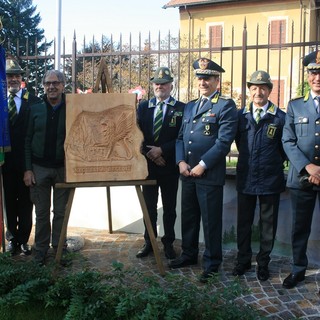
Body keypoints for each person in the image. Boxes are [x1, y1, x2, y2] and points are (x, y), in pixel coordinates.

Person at [168, 57, 238, 282]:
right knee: (188, 218)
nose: (203, 82)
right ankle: (189, 254)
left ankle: (212, 262)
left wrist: (202, 165)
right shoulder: (189, 106)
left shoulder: (225, 106)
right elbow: (180, 138)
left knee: (210, 221)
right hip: (187, 172)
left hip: (208, 175)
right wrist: (180, 162)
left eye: (207, 78)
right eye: (200, 78)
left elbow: (223, 142)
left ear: (217, 80)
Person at [232, 70, 286, 281]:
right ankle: (243, 260)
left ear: (270, 90)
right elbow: (238, 142)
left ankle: (263, 263)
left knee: (267, 225)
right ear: (249, 90)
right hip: (245, 177)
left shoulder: (280, 117)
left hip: (270, 179)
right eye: (254, 88)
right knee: (243, 222)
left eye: (263, 88)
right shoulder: (240, 116)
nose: (258, 92)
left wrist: (269, 163)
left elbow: (283, 149)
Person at [136, 67, 185, 259]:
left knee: (169, 208)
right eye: (156, 82)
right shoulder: (143, 107)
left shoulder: (181, 108)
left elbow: (182, 136)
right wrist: (152, 153)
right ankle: (149, 242)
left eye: (163, 83)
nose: (159, 86)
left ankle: (169, 243)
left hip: (169, 166)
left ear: (171, 85)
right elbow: (136, 135)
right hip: (148, 166)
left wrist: (162, 150)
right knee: (148, 207)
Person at [282, 50, 320, 289]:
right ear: (308, 75)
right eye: (314, 72)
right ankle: (298, 269)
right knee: (299, 228)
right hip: (302, 177)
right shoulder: (295, 106)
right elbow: (287, 140)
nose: (318, 77)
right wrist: (309, 167)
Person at [23, 70, 69, 265]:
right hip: (39, 168)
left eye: (56, 83)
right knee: (41, 213)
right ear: (43, 86)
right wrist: (28, 169)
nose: (51, 87)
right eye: (48, 83)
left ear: (63, 85)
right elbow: (26, 140)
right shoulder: (35, 109)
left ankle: (60, 249)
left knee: (60, 212)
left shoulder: (71, 107)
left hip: (63, 169)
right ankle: (40, 250)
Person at [2, 58, 42, 255]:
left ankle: (25, 239)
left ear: (21, 79)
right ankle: (12, 239)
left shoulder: (33, 100)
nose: (13, 79)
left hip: (27, 162)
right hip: (6, 163)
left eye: (16, 75)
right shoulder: (0, 101)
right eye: (9, 76)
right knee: (9, 201)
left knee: (26, 202)